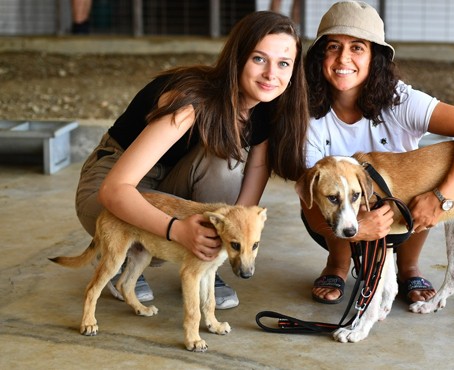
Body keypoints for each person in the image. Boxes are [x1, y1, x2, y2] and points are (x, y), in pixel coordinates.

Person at [75, 11, 308, 309]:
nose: (271, 74)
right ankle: (123, 257)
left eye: (283, 63)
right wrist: (177, 230)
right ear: (237, 58)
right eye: (259, 59)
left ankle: (205, 263)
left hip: (172, 184)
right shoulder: (189, 99)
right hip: (111, 183)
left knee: (226, 165)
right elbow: (114, 189)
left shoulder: (268, 111)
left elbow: (240, 211)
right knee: (123, 217)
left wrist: (223, 246)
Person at [302, 1, 454, 305]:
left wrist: (442, 197)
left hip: (407, 214)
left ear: (374, 57)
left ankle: (408, 267)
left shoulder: (401, 100)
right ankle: (337, 265)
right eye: (333, 47)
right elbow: (310, 202)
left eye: (357, 48)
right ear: (319, 57)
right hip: (339, 221)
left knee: (416, 183)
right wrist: (357, 231)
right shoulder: (306, 115)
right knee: (329, 195)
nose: (344, 58)